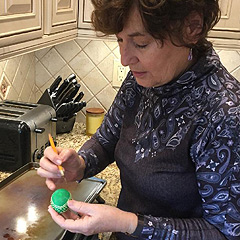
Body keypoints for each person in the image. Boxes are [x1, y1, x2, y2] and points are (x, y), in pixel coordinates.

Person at [37, 0, 240, 239]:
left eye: (141, 44)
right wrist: (80, 164)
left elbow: (225, 232)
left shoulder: (225, 113)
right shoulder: (142, 81)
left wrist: (129, 222)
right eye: (120, 40)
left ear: (191, 27)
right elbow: (106, 139)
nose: (124, 59)